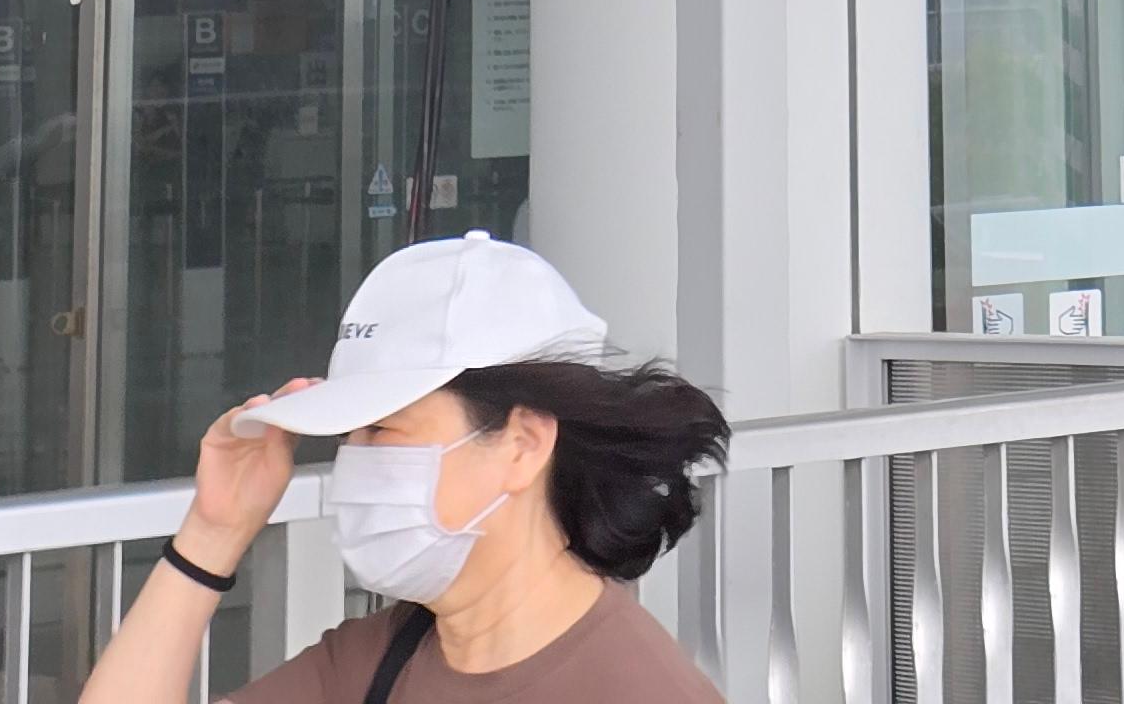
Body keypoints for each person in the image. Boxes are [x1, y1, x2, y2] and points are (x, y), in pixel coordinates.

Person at [79, 237, 728, 704]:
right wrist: (211, 534)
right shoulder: (380, 660)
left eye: (383, 430)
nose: (355, 462)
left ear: (523, 444)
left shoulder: (639, 689)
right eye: (350, 436)